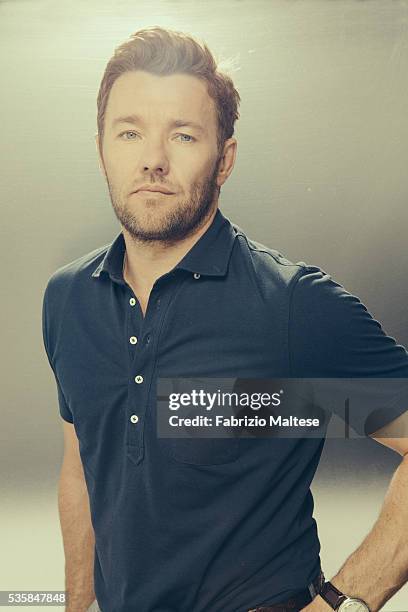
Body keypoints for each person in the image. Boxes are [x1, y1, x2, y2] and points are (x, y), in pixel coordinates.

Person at [41, 27, 408, 612]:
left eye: (183, 136)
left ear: (225, 158)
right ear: (101, 147)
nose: (153, 160)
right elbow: (81, 470)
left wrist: (345, 601)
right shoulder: (68, 300)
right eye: (130, 132)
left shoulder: (292, 307)